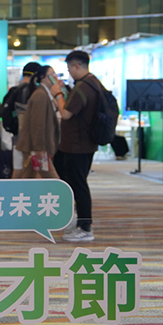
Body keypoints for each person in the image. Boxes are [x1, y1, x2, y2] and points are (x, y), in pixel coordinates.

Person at [52, 50, 101, 242]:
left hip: (77, 144)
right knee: (76, 182)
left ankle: (85, 227)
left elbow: (66, 114)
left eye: (69, 68)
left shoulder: (83, 87)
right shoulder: (92, 83)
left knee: (79, 185)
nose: (69, 72)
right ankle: (81, 223)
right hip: (82, 143)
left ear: (76, 66)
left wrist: (58, 95)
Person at [14, 65, 60, 179]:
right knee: (52, 180)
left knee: (28, 177)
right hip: (36, 148)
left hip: (33, 147)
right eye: (51, 75)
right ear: (43, 77)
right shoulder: (41, 95)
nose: (54, 77)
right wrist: (39, 148)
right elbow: (37, 124)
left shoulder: (44, 94)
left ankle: (20, 191)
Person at [5, 61, 42, 178]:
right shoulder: (34, 91)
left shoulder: (14, 90)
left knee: (17, 169)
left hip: (17, 137)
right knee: (36, 169)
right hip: (31, 139)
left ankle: (14, 190)